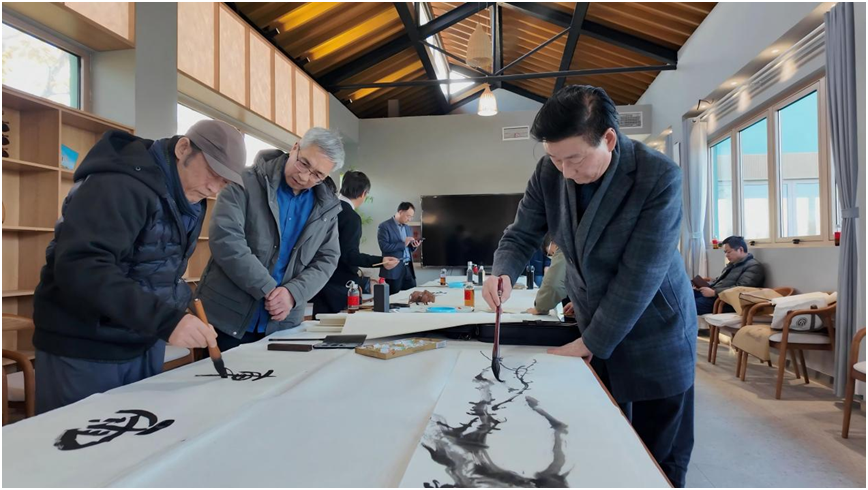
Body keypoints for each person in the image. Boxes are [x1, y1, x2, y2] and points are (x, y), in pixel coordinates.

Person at [482, 85, 696, 488]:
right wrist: (502, 272)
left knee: (656, 458)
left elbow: (640, 275)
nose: (565, 171)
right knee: (601, 447)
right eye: (555, 158)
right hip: (594, 325)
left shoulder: (658, 176)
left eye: (575, 159)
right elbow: (521, 233)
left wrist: (592, 342)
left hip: (655, 330)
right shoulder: (550, 170)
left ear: (609, 139)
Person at [32, 119, 247, 413]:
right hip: (86, 345)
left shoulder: (191, 198)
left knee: (138, 437)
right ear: (184, 149)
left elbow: (157, 268)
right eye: (212, 172)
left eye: (224, 182)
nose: (214, 187)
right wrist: (166, 320)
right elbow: (83, 267)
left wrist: (179, 309)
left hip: (142, 338)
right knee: (81, 439)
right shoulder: (118, 184)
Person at [198, 127, 344, 351]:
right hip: (227, 318)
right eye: (303, 163)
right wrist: (269, 290)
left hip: (283, 323)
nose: (304, 177)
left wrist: (292, 294)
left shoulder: (327, 208)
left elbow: (327, 259)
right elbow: (226, 239)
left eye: (317, 175)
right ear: (295, 147)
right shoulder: (243, 181)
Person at [312, 171, 398, 317]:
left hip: (318, 278)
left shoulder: (325, 209)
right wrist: (381, 261)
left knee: (320, 322)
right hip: (339, 284)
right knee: (341, 325)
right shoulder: (351, 217)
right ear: (364, 194)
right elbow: (349, 255)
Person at [694, 235, 765, 315]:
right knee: (687, 294)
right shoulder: (733, 264)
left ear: (740, 249)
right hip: (717, 296)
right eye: (725, 252)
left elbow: (741, 289)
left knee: (688, 305)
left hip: (726, 302)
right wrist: (705, 286)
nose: (726, 255)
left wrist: (714, 292)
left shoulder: (754, 266)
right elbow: (721, 281)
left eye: (729, 252)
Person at [377, 202, 420, 292]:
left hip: (408, 268)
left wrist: (414, 246)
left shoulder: (407, 228)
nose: (409, 219)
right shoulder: (384, 226)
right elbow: (384, 247)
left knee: (412, 295)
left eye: (411, 217)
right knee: (394, 298)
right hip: (393, 269)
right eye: (408, 216)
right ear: (400, 212)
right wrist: (403, 244)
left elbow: (407, 248)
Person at [527, 243, 568, 315]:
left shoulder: (564, 246)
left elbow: (554, 285)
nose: (553, 256)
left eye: (552, 253)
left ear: (554, 243)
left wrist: (540, 308)